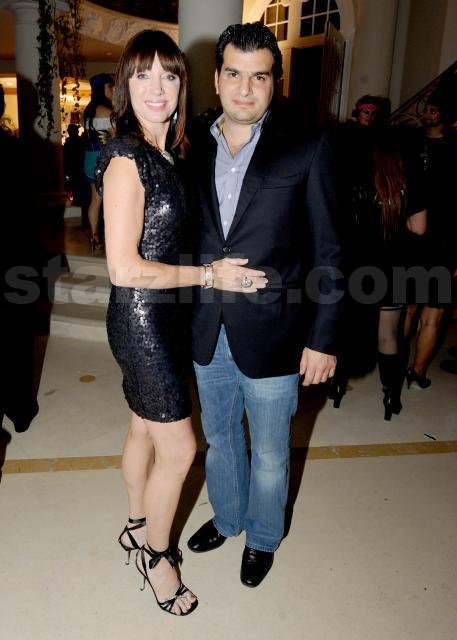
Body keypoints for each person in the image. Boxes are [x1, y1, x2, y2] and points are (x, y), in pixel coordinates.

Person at [96, 29, 266, 616]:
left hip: (168, 316)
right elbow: (123, 268)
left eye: (168, 75)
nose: (157, 88)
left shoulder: (171, 152)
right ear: (125, 85)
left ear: (182, 85)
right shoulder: (127, 157)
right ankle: (157, 556)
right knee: (179, 448)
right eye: (142, 75)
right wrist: (209, 276)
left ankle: (135, 525)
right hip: (142, 320)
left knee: (144, 429)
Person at [187, 23, 343, 587]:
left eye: (260, 76)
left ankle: (262, 536)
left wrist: (323, 338)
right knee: (219, 437)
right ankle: (228, 518)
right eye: (234, 74)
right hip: (207, 324)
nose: (245, 89)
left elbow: (329, 251)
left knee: (273, 451)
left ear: (276, 82)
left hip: (278, 331)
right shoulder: (191, 143)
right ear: (216, 78)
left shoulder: (306, 146)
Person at [328, 121, 427, 419]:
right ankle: (391, 396)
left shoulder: (351, 178)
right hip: (392, 267)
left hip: (356, 267)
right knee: (389, 335)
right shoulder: (407, 183)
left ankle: (337, 386)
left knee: (346, 330)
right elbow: (419, 229)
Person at [403, 93, 457, 388]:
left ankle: (417, 371)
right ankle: (402, 367)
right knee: (410, 308)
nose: (427, 113)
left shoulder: (452, 146)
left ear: (445, 115)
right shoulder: (410, 142)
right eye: (426, 109)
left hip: (444, 241)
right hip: (413, 239)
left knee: (432, 313)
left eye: (434, 110)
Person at [83, 72, 115, 252]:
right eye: (110, 87)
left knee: (95, 200)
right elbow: (117, 138)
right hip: (103, 158)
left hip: (89, 157)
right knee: (111, 199)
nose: (113, 90)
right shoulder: (106, 111)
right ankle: (112, 237)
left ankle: (94, 237)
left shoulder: (88, 110)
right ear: (102, 89)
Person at [63, 123, 85, 206]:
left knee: (73, 186)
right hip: (78, 168)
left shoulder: (69, 143)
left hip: (73, 168)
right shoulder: (80, 141)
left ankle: (76, 201)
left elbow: (65, 157)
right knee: (77, 186)